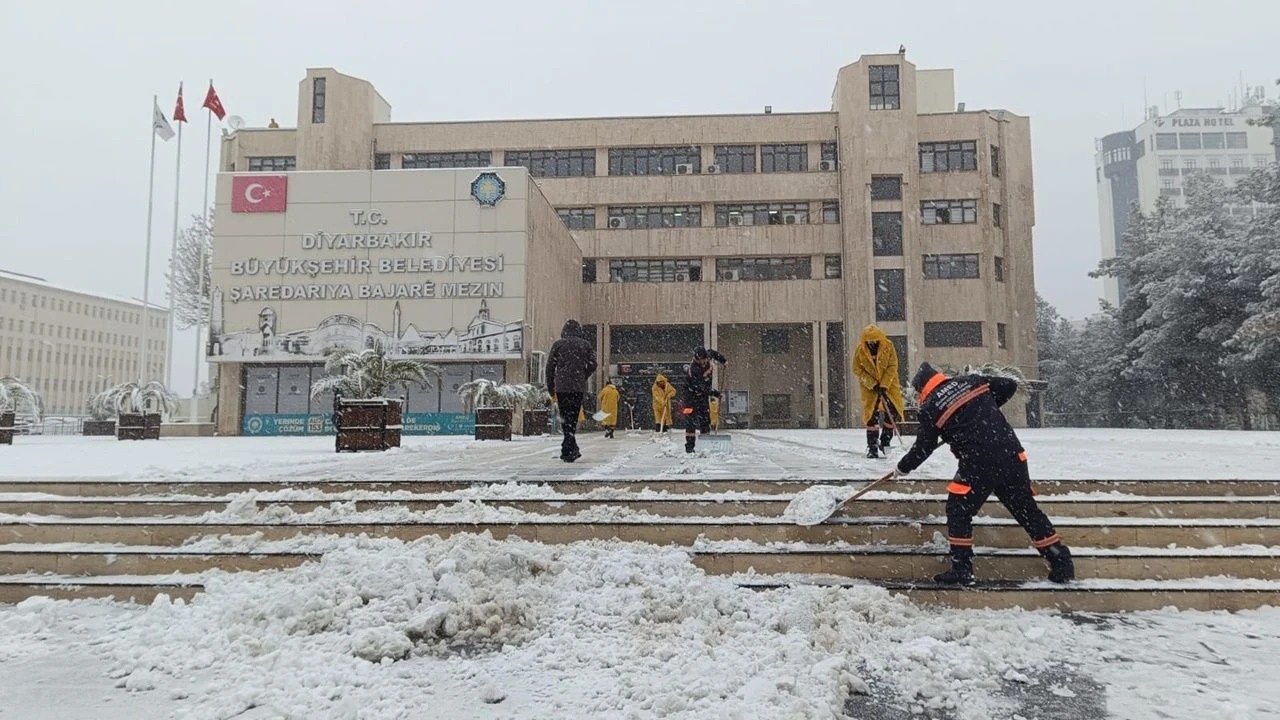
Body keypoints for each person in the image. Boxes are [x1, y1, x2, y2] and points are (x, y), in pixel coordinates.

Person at [895, 362, 1074, 586]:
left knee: (958, 509)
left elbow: (923, 447)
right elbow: (1009, 384)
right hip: (1011, 455)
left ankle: (962, 569)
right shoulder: (972, 381)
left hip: (978, 463)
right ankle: (1061, 561)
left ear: (922, 389)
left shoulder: (930, 407)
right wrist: (985, 407)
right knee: (1026, 510)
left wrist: (902, 467)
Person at [545, 319, 597, 463]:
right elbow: (593, 364)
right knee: (572, 418)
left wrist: (551, 387)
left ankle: (568, 449)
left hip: (562, 388)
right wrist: (583, 375)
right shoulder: (585, 345)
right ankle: (569, 448)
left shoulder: (558, 345)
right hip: (577, 387)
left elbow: (549, 368)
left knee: (565, 418)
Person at [852, 324, 905, 459]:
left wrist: (884, 384)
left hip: (889, 385)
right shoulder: (860, 351)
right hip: (870, 389)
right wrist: (872, 383)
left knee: (892, 412)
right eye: (869, 340)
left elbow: (892, 366)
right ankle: (872, 447)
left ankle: (885, 440)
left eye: (874, 340)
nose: (872, 343)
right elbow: (857, 369)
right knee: (871, 416)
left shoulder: (888, 347)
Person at [681, 347, 727, 453]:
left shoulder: (707, 356)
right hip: (690, 397)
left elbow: (714, 353)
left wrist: (724, 361)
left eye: (705, 359)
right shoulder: (694, 369)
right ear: (696, 359)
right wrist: (716, 394)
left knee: (705, 419)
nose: (703, 361)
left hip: (702, 397)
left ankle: (706, 445)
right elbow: (701, 387)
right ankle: (690, 447)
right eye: (701, 360)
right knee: (690, 422)